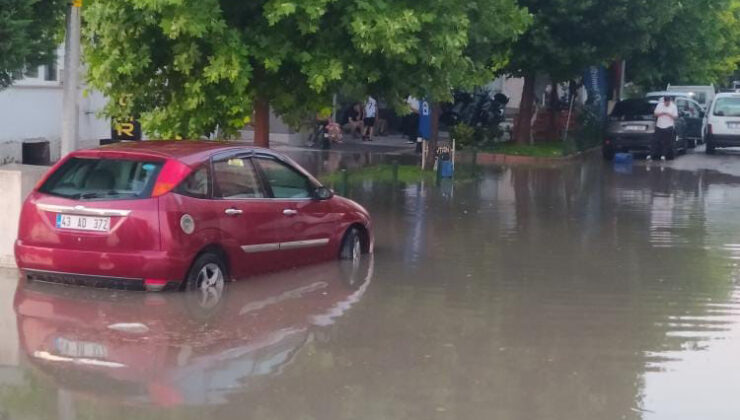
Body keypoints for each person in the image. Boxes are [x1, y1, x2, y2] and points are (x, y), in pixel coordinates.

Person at [650, 96, 678, 161]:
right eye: (665, 102)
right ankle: (652, 155)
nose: (666, 104)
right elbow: (655, 114)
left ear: (669, 101)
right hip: (659, 125)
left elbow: (675, 117)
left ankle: (664, 155)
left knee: (667, 141)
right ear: (664, 101)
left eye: (668, 102)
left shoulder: (673, 107)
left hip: (669, 126)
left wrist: (669, 114)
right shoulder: (660, 105)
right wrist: (661, 113)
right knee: (655, 141)